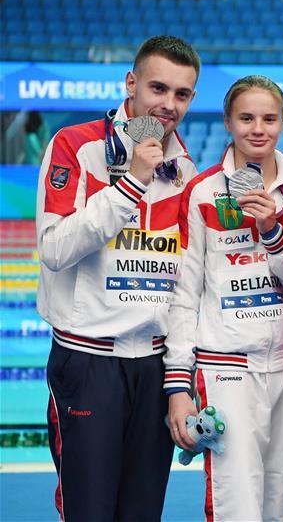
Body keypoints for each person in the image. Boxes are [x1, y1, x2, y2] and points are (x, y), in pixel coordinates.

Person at [36, 35, 200, 521]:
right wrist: (131, 184)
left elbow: (183, 288)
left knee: (142, 513)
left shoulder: (185, 169)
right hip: (88, 364)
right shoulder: (76, 146)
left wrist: (179, 381)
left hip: (152, 369)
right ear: (131, 84)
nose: (168, 105)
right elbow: (54, 249)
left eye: (182, 94)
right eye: (158, 88)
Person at [164, 75, 283, 521]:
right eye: (246, 117)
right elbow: (185, 294)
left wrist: (274, 232)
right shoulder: (203, 193)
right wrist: (178, 383)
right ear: (228, 121)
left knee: (278, 494)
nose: (257, 128)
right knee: (236, 500)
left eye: (269, 118)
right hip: (227, 366)